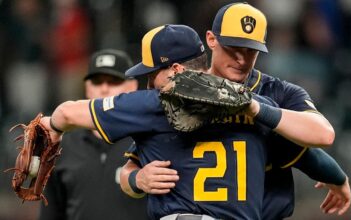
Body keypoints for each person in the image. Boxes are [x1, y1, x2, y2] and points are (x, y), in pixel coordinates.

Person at [123, 2, 351, 219]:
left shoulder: (276, 93)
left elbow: (321, 137)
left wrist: (255, 109)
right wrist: (136, 178)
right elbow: (131, 165)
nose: (241, 59)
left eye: (250, 50)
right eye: (233, 48)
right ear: (212, 40)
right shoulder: (183, 92)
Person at [38, 24, 288, 220]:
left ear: (175, 70)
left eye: (151, 73)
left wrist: (52, 125)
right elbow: (320, 145)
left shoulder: (154, 105)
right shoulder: (253, 104)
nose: (149, 84)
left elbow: (67, 113)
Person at [38, 49, 148, 220]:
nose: (104, 89)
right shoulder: (63, 145)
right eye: (97, 82)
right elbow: (51, 211)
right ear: (87, 88)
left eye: (114, 81)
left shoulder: (148, 141)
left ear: (132, 86)